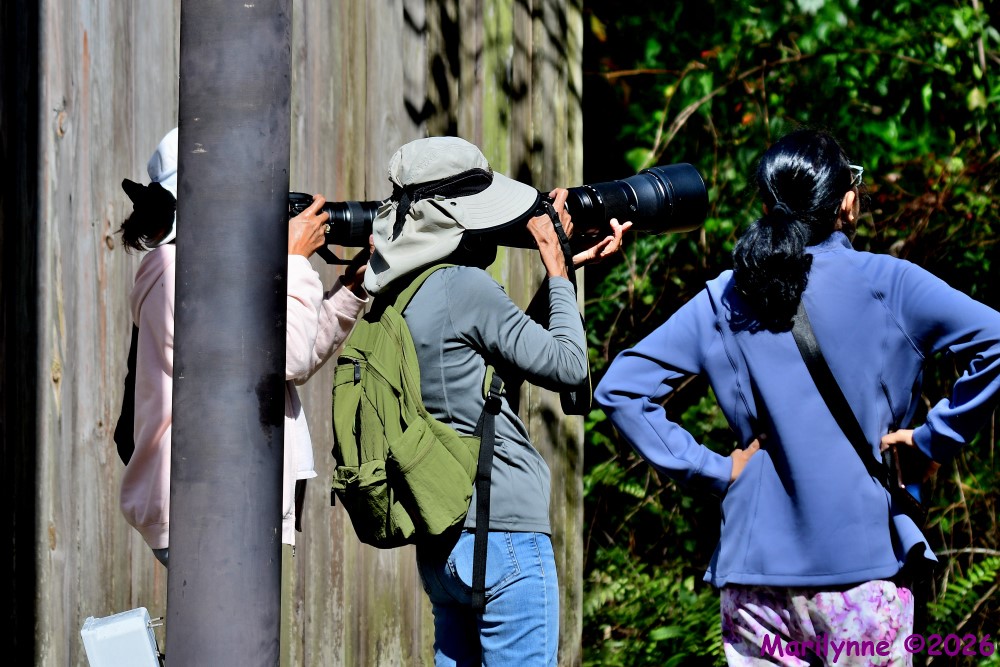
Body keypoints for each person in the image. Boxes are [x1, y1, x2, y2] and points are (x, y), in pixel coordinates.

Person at [594, 128, 1000, 665]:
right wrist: (933, 441)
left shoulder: (727, 296)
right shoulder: (892, 284)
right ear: (847, 203)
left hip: (754, 585)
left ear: (768, 206)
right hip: (863, 575)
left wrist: (717, 470)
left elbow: (621, 388)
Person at [363, 136, 629, 666]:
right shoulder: (464, 287)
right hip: (504, 536)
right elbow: (569, 367)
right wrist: (557, 269)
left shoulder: (396, 293)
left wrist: (565, 272)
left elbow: (495, 377)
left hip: (443, 542)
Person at [117, 127, 369, 567]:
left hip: (223, 501)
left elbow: (288, 356)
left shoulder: (205, 270)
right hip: (209, 507)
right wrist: (294, 261)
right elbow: (287, 356)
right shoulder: (182, 275)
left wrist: (351, 289)